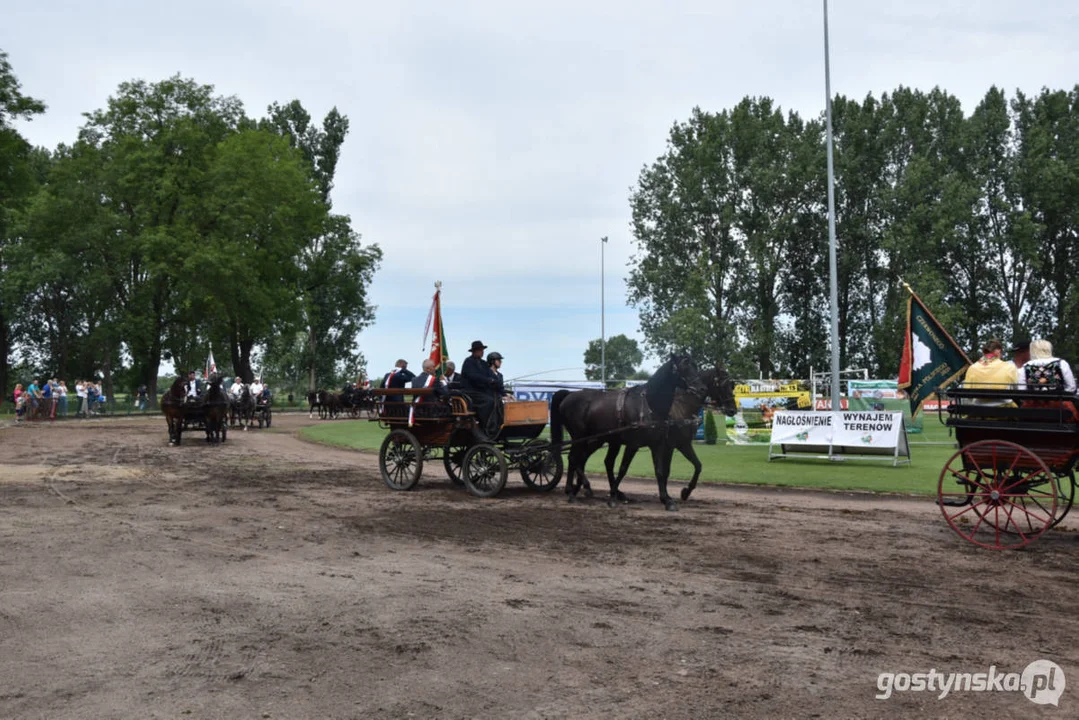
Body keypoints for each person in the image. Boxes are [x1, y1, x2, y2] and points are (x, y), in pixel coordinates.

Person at [461, 340, 503, 440]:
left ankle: (497, 425)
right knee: (489, 401)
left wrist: (496, 381)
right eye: (480, 350)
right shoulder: (468, 362)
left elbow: (490, 374)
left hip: (481, 391)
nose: (482, 352)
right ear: (474, 351)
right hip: (470, 392)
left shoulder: (483, 363)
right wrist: (488, 380)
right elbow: (472, 376)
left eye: (482, 350)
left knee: (498, 399)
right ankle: (486, 427)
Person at [963, 338, 1018, 406]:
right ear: (998, 351)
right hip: (1004, 411)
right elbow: (1015, 390)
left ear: (983, 352)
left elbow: (968, 395)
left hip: (978, 411)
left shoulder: (972, 368)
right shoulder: (1009, 367)